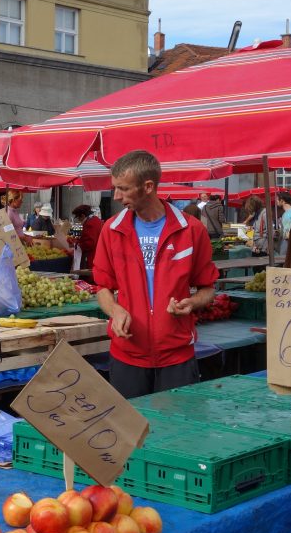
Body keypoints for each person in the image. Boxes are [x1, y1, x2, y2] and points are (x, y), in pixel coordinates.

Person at [93, 150, 218, 398]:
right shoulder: (112, 230)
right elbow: (103, 288)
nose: (116, 196)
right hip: (127, 355)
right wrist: (115, 310)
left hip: (177, 356)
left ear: (148, 186)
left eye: (123, 189)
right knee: (130, 434)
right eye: (115, 188)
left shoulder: (191, 230)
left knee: (176, 434)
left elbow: (208, 289)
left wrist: (192, 303)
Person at [72, 204, 102, 270]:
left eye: (78, 217)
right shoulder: (96, 219)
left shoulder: (89, 223)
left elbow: (89, 243)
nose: (79, 220)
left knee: (87, 275)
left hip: (90, 256)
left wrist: (78, 244)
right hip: (97, 253)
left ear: (83, 215)